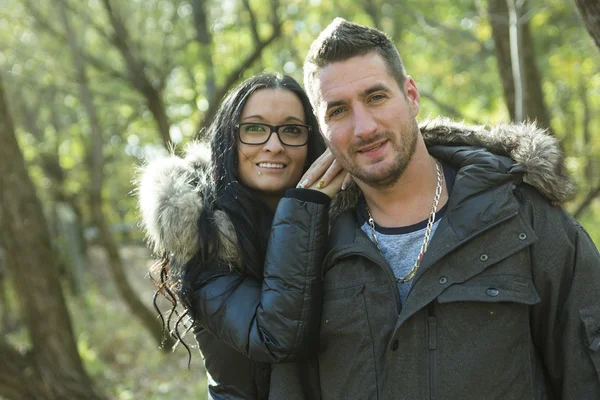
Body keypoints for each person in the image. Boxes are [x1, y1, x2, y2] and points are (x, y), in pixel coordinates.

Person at [268, 18, 600, 399]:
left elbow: (588, 369)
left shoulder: (521, 216)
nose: (364, 128)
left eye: (376, 97)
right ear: (321, 129)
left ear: (410, 95)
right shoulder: (312, 253)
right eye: (338, 111)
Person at [136, 73, 345, 399]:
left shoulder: (338, 221)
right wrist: (306, 207)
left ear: (311, 142)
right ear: (228, 140)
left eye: (291, 130)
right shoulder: (203, 236)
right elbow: (277, 336)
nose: (273, 145)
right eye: (255, 129)